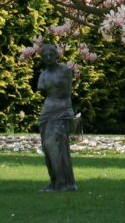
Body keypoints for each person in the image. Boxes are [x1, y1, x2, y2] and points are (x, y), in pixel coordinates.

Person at [37, 44, 77, 192]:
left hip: (62, 110)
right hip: (47, 112)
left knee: (53, 144)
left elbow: (66, 92)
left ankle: (63, 182)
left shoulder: (65, 71)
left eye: (51, 54)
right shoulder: (43, 76)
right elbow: (43, 91)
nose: (48, 58)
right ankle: (56, 182)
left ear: (56, 55)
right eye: (45, 56)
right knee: (47, 148)